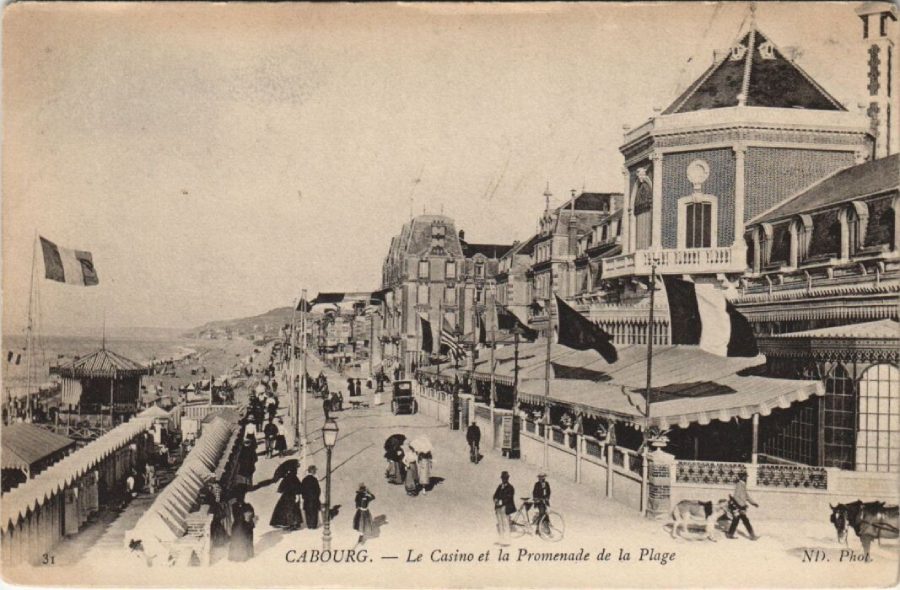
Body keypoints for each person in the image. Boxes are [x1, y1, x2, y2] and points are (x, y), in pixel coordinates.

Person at [726, 472, 759, 540]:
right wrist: (740, 506)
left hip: (740, 507)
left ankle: (730, 534)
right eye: (745, 477)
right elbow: (736, 497)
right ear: (743, 477)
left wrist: (753, 503)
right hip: (739, 507)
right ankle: (752, 536)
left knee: (737, 521)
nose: (746, 478)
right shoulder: (739, 484)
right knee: (745, 521)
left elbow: (746, 496)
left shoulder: (743, 484)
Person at [270, 466, 303, 530]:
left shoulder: (286, 478)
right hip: (292, 496)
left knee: (285, 510)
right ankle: (293, 524)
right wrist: (297, 495)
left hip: (286, 496)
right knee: (293, 510)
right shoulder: (295, 478)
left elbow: (281, 488)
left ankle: (286, 523)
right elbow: (298, 487)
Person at [493, 471, 516, 546]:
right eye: (503, 478)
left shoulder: (510, 487)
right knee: (500, 523)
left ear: (508, 479)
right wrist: (496, 500)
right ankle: (501, 539)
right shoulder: (500, 486)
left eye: (505, 478)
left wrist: (501, 502)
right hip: (498, 507)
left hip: (505, 508)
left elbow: (509, 498)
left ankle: (507, 540)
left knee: (506, 523)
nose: (504, 479)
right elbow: (495, 495)